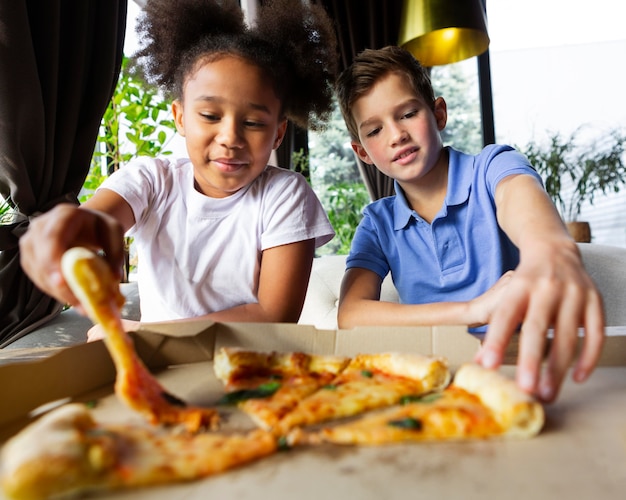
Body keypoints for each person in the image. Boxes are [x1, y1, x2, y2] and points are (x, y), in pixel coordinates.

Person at [19, 0, 338, 340]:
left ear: (278, 132)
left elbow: (272, 314)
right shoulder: (151, 179)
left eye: (254, 122)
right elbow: (95, 222)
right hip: (159, 369)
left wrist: (148, 334)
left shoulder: (285, 194)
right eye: (210, 116)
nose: (230, 138)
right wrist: (64, 233)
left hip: (251, 365)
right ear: (181, 117)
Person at [334, 45, 605, 403]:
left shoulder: (492, 166)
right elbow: (351, 313)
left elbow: (518, 199)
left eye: (408, 113)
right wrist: (474, 310)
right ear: (363, 153)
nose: (396, 134)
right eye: (374, 130)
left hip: (516, 363)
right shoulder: (377, 222)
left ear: (438, 113)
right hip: (429, 375)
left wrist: (550, 248)